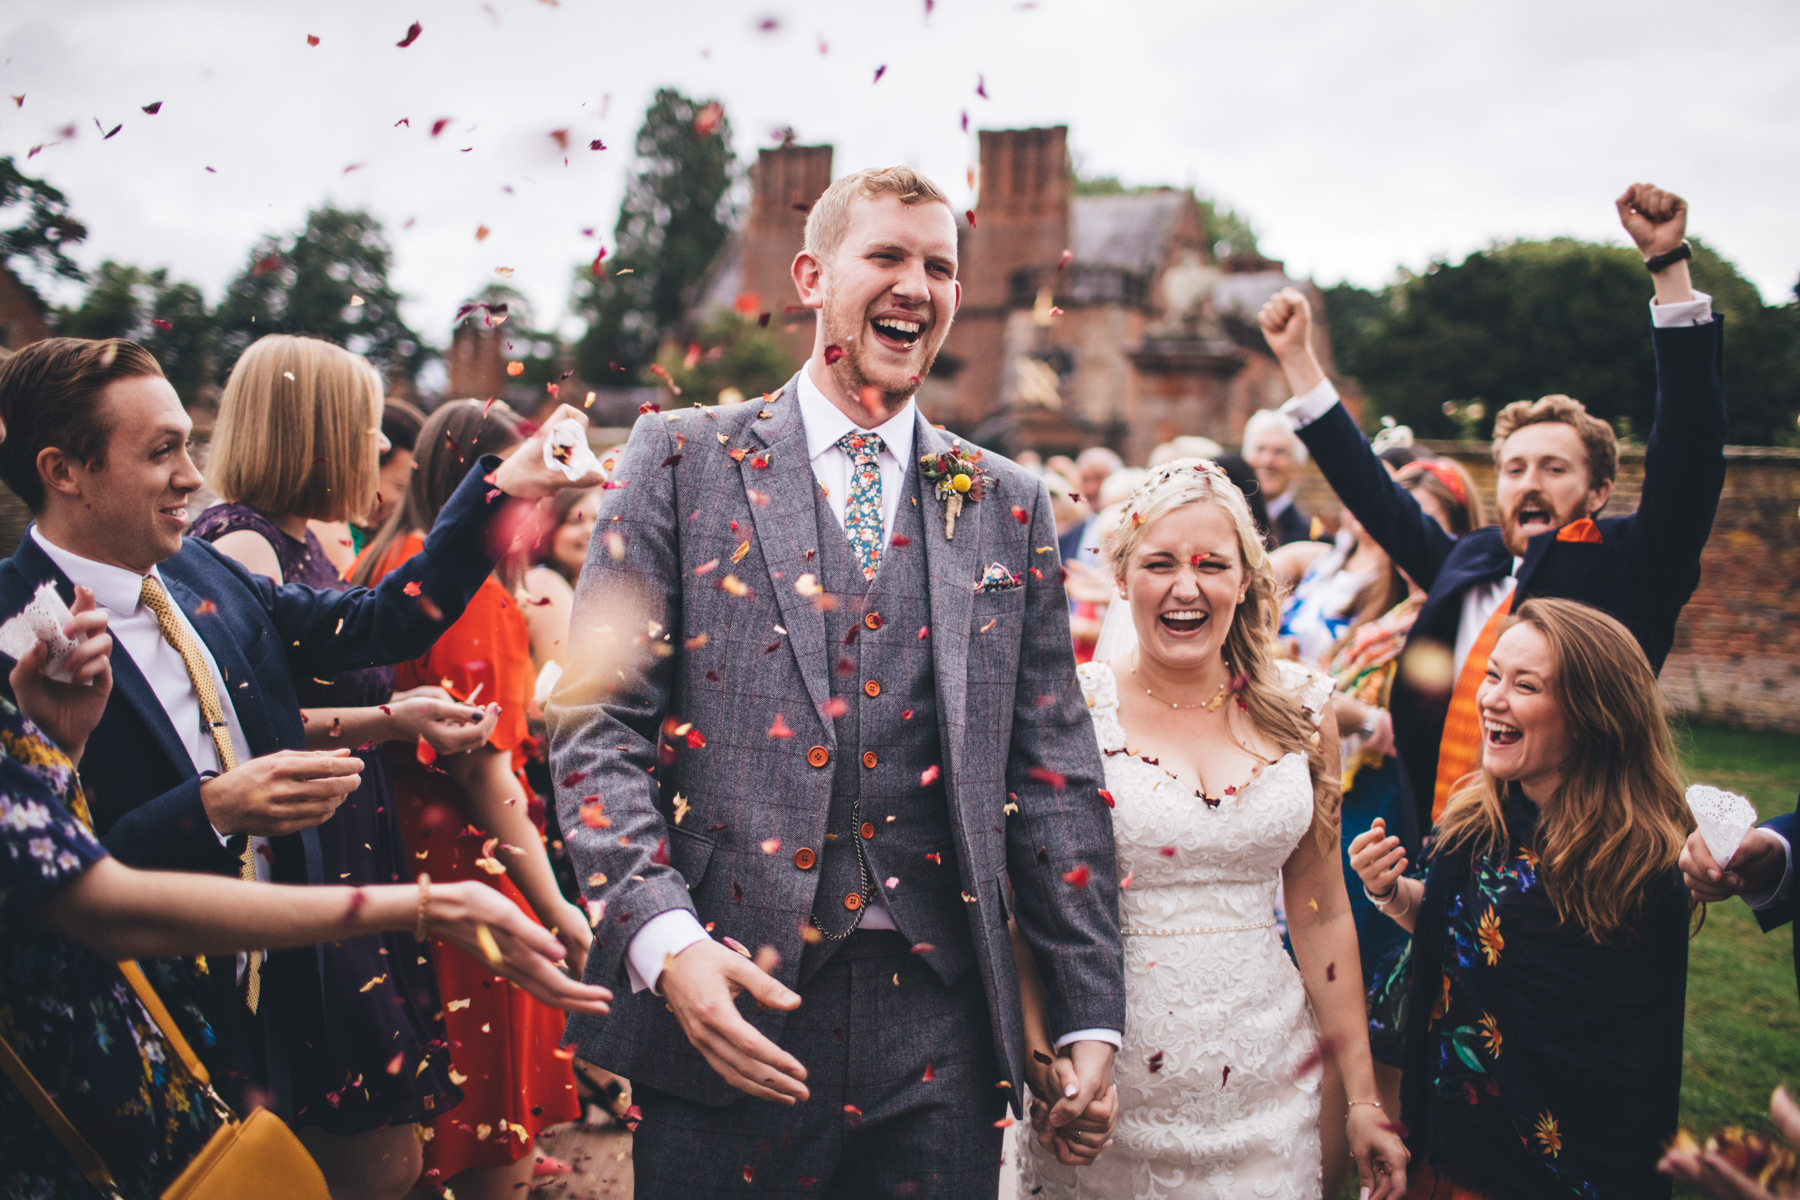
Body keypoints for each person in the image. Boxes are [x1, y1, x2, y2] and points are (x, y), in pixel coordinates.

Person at [549, 165, 1125, 1195]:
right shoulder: (677, 460)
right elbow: (598, 728)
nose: (918, 285)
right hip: (728, 1000)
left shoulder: (1007, 503)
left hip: (943, 1019)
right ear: (813, 276)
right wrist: (667, 943)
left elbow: (1054, 776)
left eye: (941, 267)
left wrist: (1087, 1011)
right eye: (889, 256)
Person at [0, 407, 611, 1200]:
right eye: (162, 452)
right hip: (148, 1014)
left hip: (290, 973)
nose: (192, 474)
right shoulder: (18, 628)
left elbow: (380, 620)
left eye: (190, 445)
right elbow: (71, 895)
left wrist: (507, 486)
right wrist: (212, 807)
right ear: (62, 470)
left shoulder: (195, 574)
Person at [1260, 182, 1726, 840]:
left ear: (1597, 493)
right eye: (1514, 468)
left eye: (1553, 468)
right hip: (1441, 844)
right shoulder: (1470, 559)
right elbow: (1375, 494)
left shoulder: (1633, 566)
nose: (1528, 483)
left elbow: (1690, 456)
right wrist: (1299, 363)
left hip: (1573, 864)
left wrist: (1669, 269)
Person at [1020, 457, 1408, 1197]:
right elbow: (1029, 911)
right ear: (1123, 576)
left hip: (1267, 1079)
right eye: (1160, 563)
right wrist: (1048, 1068)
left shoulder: (1303, 710)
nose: (1186, 587)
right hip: (1107, 1086)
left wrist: (1361, 1097)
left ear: (1245, 580)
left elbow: (1322, 911)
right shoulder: (1071, 711)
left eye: (1210, 564)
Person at [189, 335, 501, 1198]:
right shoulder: (242, 546)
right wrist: (388, 723)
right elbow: (245, 724)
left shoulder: (307, 542)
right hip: (304, 864)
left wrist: (397, 720)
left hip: (352, 844)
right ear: (313, 433)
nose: (374, 448)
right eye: (362, 427)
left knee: (390, 1154)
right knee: (373, 1157)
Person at [1349, 598, 1695, 1199]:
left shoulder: (1638, 861)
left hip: (1559, 1165)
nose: (1492, 699)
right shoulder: (1476, 820)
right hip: (1449, 1132)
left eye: (1525, 685)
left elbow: (1637, 1063)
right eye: (1492, 675)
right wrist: (1390, 892)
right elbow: (1451, 922)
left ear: (1593, 713)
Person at [353, 399, 591, 1200]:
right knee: (485, 1150)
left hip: (409, 875)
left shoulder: (396, 564)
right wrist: (559, 909)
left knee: (428, 1141)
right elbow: (485, 776)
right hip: (467, 882)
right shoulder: (467, 594)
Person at [519, 485, 598, 675]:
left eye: (598, 519)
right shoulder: (541, 583)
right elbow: (566, 676)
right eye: (574, 522)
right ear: (549, 529)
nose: (590, 530)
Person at [1242, 408, 1312, 546]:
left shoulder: (1310, 539)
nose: (1267, 461)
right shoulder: (1224, 521)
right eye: (1260, 449)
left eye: (1280, 452)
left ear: (1298, 469)